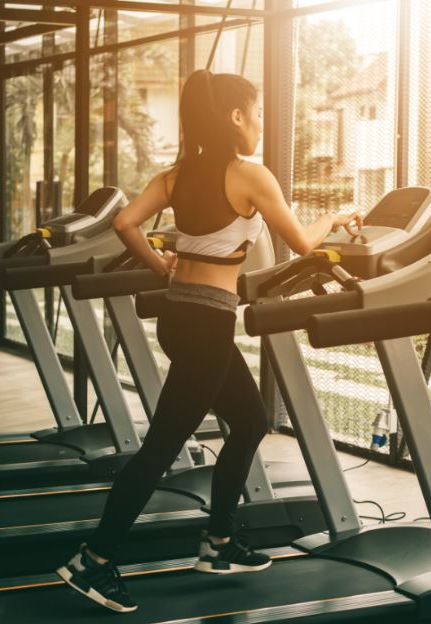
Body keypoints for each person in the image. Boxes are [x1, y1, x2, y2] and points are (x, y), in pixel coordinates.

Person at [56, 69, 363, 614]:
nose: (262, 124)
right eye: (259, 113)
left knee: (249, 421)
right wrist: (334, 219)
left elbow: (127, 223)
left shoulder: (175, 176)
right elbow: (298, 244)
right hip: (208, 326)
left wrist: (159, 265)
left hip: (180, 316)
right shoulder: (250, 175)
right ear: (236, 117)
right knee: (161, 448)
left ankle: (219, 542)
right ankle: (93, 560)